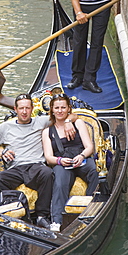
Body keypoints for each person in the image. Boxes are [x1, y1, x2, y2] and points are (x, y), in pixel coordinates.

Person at [0, 93, 77, 229]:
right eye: (21, 108)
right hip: (16, 168)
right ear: (16, 109)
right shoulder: (6, 127)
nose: (24, 112)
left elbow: (73, 115)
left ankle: (42, 216)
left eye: (27, 108)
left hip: (36, 166)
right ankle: (12, 212)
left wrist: (68, 122)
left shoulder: (41, 121)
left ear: (32, 108)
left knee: (47, 173)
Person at [42, 93, 99, 232]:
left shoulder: (78, 122)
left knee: (94, 172)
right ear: (52, 110)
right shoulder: (47, 132)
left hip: (81, 159)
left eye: (63, 107)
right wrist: (60, 160)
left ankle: (90, 209)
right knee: (60, 182)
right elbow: (49, 157)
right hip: (62, 162)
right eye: (57, 108)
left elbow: (89, 147)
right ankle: (57, 221)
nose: (60, 111)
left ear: (68, 109)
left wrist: (81, 155)